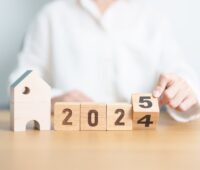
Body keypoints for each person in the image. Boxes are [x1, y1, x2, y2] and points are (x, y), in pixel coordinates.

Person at [9, 0, 200, 122]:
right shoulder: (51, 16)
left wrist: (184, 89)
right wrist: (51, 100)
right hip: (70, 139)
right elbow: (21, 81)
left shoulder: (152, 18)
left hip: (140, 140)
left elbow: (178, 70)